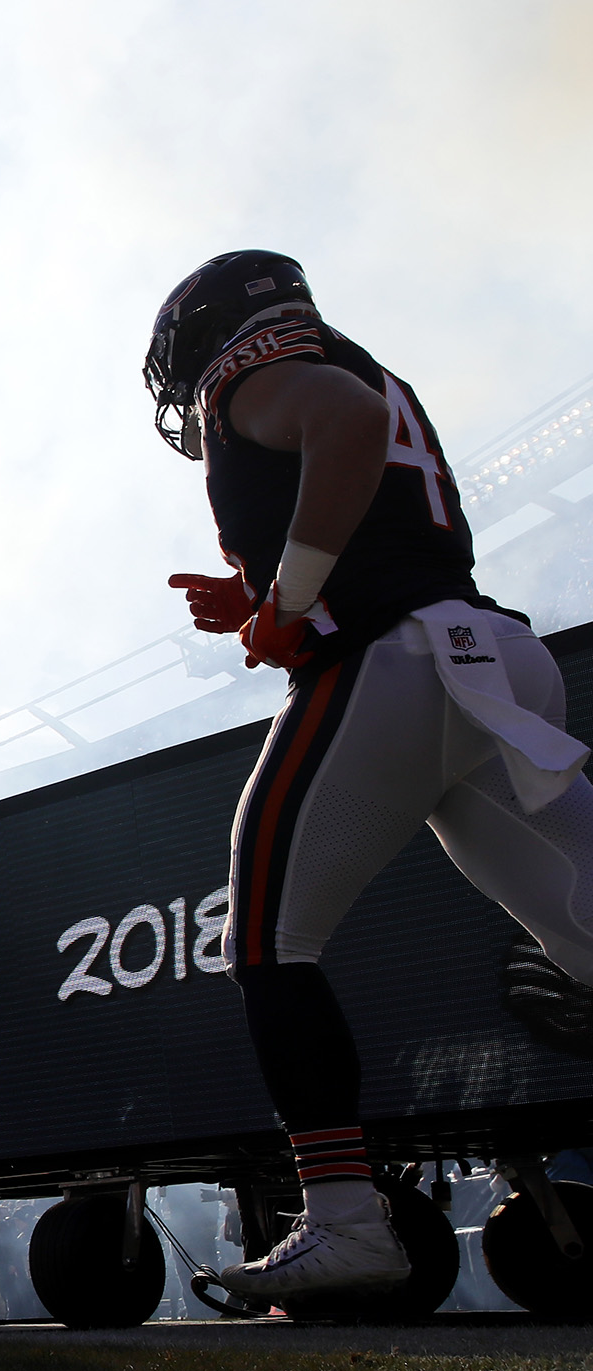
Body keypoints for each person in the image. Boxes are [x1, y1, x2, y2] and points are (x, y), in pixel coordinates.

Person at [145, 250, 593, 1299]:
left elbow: (339, 427)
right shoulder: (351, 360)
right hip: (486, 654)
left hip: (396, 664)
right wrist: (255, 583)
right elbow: (367, 474)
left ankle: (346, 1219)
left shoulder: (255, 367)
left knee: (261, 937)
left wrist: (290, 598)